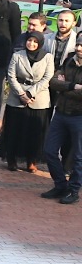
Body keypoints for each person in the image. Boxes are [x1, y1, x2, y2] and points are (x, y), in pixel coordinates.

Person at [0, 30, 52, 173]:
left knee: (34, 132)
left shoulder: (48, 57)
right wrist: (22, 94)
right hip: (17, 97)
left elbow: (47, 77)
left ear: (40, 43)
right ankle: (12, 159)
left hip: (38, 98)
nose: (31, 44)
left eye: (35, 41)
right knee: (14, 129)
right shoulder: (17, 55)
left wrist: (30, 93)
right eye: (29, 40)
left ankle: (31, 161)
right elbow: (11, 76)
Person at [43, 36, 82, 203]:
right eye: (78, 44)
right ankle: (60, 185)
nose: (79, 48)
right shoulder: (69, 60)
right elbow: (53, 82)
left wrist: (64, 87)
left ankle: (73, 190)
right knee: (49, 151)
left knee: (78, 157)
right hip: (60, 114)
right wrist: (72, 86)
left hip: (79, 116)